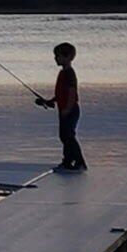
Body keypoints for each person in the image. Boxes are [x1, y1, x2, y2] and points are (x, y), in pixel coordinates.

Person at [36, 42, 85, 171]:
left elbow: (72, 93)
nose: (55, 58)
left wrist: (67, 109)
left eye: (58, 56)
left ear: (67, 57)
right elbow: (60, 94)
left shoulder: (69, 73)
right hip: (64, 110)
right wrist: (48, 102)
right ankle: (68, 162)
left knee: (68, 136)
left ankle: (79, 163)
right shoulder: (62, 73)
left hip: (70, 110)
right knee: (64, 136)